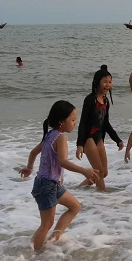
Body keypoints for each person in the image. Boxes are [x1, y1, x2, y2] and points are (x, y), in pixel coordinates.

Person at [19, 100, 100, 250]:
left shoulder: (50, 135)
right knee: (46, 224)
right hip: (47, 185)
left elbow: (33, 152)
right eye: (73, 120)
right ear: (61, 122)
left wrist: (29, 167)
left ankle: (54, 238)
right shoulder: (60, 137)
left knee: (74, 206)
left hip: (51, 184)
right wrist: (84, 171)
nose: (75, 123)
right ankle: (34, 254)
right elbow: (62, 161)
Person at [76, 69, 124, 190]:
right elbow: (83, 122)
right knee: (99, 174)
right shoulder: (90, 100)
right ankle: (102, 197)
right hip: (88, 138)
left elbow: (105, 123)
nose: (108, 85)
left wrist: (117, 139)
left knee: (103, 173)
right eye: (105, 82)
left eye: (110, 82)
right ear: (97, 82)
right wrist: (80, 144)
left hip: (98, 137)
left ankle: (79, 189)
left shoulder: (106, 101)